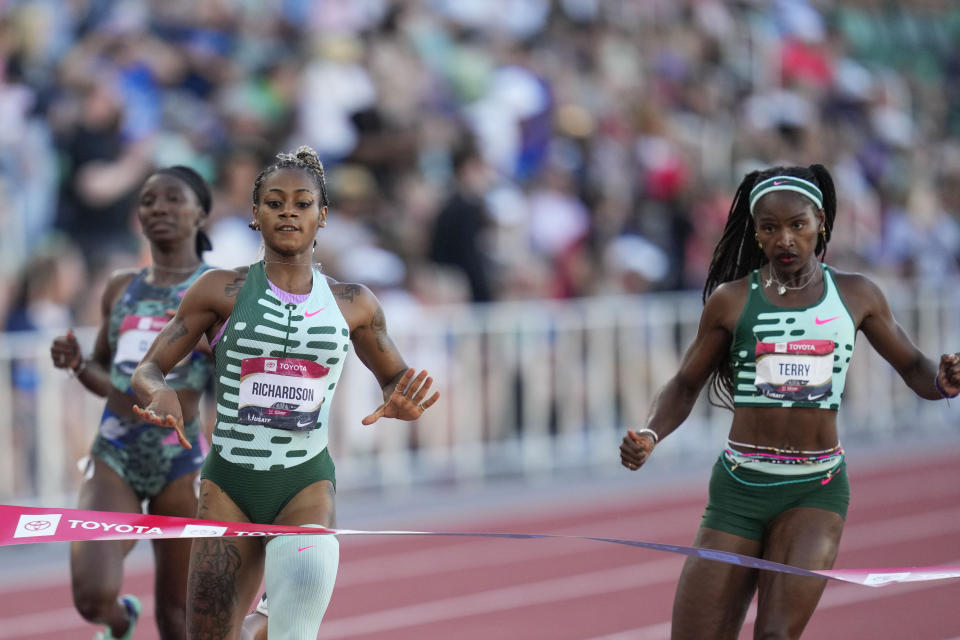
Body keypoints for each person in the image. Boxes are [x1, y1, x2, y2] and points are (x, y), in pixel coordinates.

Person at [619, 164, 960, 639]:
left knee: (776, 635)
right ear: (755, 233)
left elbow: (913, 367)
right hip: (740, 489)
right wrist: (651, 433)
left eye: (797, 225)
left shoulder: (857, 295)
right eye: (770, 227)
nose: (785, 239)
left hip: (815, 489)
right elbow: (683, 384)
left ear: (820, 221)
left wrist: (943, 381)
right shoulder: (732, 300)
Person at [131, 146, 439, 640]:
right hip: (228, 486)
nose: (288, 212)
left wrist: (403, 399)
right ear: (255, 215)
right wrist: (157, 390)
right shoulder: (218, 291)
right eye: (274, 203)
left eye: (302, 203)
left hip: (304, 485)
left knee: (294, 634)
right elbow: (148, 368)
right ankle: (258, 624)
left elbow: (395, 378)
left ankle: (270, 623)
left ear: (323, 216)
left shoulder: (355, 304)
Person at [50, 166, 215, 640]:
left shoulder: (221, 289)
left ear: (201, 212)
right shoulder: (121, 287)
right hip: (115, 452)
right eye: (148, 201)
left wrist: (218, 350)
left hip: (182, 459)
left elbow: (243, 378)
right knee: (92, 596)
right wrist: (81, 365)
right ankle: (120, 622)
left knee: (177, 619)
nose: (158, 208)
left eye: (172, 199)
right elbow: (107, 374)